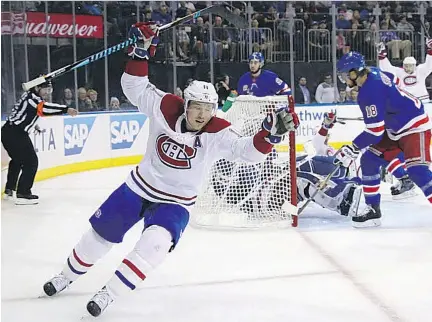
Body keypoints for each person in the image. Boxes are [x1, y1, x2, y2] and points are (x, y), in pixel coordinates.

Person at [41, 22, 300, 317]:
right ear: (186, 104)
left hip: (177, 202)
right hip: (138, 187)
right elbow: (133, 87)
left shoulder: (218, 131)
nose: (202, 114)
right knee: (98, 237)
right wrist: (140, 52)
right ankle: (66, 276)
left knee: (155, 245)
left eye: (208, 108)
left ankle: (108, 294)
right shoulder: (165, 106)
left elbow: (247, 153)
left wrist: (268, 135)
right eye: (197, 107)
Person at [335, 51, 432, 228]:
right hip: (395, 126)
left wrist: (353, 147)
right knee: (369, 159)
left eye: (345, 75)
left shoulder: (368, 93)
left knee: (417, 171)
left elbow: (375, 132)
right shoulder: (373, 72)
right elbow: (393, 81)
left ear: (355, 72)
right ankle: (373, 210)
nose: (344, 79)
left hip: (413, 125)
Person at [1, 80, 77, 204]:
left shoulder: (29, 95)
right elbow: (44, 109)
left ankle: (9, 191)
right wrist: (66, 109)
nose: (47, 93)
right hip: (15, 133)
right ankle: (23, 194)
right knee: (31, 162)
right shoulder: (33, 99)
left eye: (49, 90)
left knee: (17, 160)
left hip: (8, 131)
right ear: (37, 88)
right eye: (45, 89)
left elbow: (24, 113)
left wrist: (32, 125)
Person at [376, 38, 432, 103]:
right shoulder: (400, 72)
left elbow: (429, 65)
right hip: (406, 101)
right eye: (406, 65)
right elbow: (387, 68)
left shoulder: (420, 70)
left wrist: (430, 50)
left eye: (410, 66)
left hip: (422, 100)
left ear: (414, 65)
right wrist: (382, 56)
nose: (408, 68)